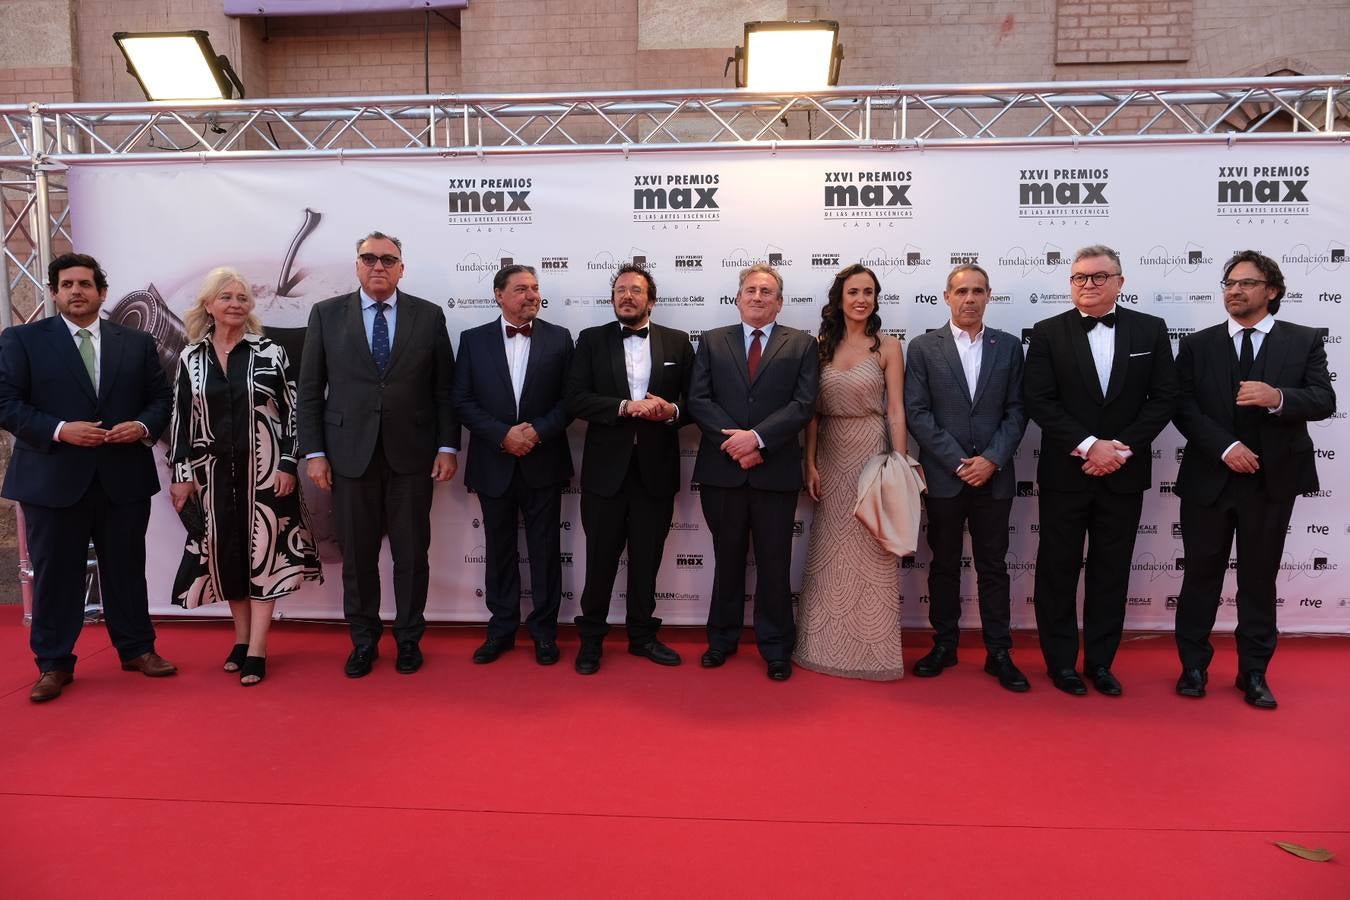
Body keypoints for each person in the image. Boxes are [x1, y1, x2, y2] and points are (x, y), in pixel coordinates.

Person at [0, 252, 175, 702]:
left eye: (84, 284)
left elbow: (161, 398)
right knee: (57, 574)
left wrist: (141, 427)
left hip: (122, 478)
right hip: (52, 478)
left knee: (126, 569)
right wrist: (60, 430)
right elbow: (7, 404)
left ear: (102, 292)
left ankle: (137, 649)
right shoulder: (22, 340)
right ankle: (54, 663)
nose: (76, 291)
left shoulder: (135, 342)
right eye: (66, 284)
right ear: (54, 292)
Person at [1172, 250, 1336, 709]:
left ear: (1272, 291)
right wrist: (1225, 448)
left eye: (1245, 283)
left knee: (1259, 579)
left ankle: (1254, 672)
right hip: (1210, 477)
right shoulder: (1198, 344)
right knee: (1200, 575)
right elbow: (1182, 406)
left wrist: (1277, 396)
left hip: (1271, 481)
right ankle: (1193, 667)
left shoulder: (1302, 340)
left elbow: (1324, 398)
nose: (1234, 291)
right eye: (1228, 283)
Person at [297, 232, 459, 678]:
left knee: (411, 555)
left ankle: (409, 639)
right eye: (369, 258)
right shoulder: (326, 315)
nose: (378, 266)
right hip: (349, 456)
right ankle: (363, 641)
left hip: (413, 456)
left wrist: (447, 445)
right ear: (357, 265)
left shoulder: (428, 316)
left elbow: (443, 390)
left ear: (402, 268)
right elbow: (310, 392)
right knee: (359, 557)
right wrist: (315, 452)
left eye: (388, 259)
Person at [1023, 244, 1178, 697]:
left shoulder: (1150, 330)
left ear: (1120, 282)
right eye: (1078, 278)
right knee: (1057, 569)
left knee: (1111, 571)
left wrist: (1120, 450)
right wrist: (1090, 446)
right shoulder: (1048, 332)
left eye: (1097, 277)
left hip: (1123, 473)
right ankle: (1060, 664)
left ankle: (1101, 663)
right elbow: (1039, 401)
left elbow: (1164, 397)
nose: (1087, 285)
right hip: (1065, 473)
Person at [166, 268, 322, 685]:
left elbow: (296, 414)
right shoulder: (189, 358)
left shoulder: (271, 352)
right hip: (211, 477)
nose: (236, 303)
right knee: (229, 556)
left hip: (268, 473)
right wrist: (181, 475)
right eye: (227, 296)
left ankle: (258, 647)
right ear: (209, 305)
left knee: (266, 557)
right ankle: (241, 637)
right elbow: (181, 421)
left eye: (242, 297)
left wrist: (290, 464)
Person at [688, 263, 819, 681]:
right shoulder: (711, 341)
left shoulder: (802, 344)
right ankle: (721, 640)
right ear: (738, 297)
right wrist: (737, 444)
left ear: (779, 302)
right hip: (723, 471)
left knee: (775, 563)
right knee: (726, 560)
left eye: (766, 291)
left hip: (774, 471)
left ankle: (776, 646)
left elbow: (803, 405)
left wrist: (758, 439)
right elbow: (698, 399)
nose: (757, 297)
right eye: (750, 290)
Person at [904, 264, 1030, 691]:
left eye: (978, 291)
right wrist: (959, 461)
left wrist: (992, 459)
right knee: (943, 564)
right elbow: (917, 413)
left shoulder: (1009, 347)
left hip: (994, 476)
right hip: (944, 477)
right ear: (947, 296)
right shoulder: (922, 348)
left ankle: (999, 651)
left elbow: (1017, 410)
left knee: (993, 566)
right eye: (962, 291)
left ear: (989, 296)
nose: (970, 299)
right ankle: (945, 644)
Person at [565, 263, 694, 675]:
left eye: (636, 290)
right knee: (600, 558)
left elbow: (697, 402)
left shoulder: (677, 343)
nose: (627, 296)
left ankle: (642, 636)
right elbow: (576, 399)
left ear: (650, 300)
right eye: (620, 290)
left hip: (655, 471)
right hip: (605, 471)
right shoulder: (590, 340)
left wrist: (670, 410)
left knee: (647, 559)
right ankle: (591, 641)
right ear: (613, 298)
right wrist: (623, 407)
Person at [453, 264, 574, 666]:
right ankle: (501, 629)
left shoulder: (560, 339)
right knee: (499, 551)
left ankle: (544, 632)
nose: (531, 295)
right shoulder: (473, 340)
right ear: (499, 295)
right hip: (494, 461)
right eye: (521, 289)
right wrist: (503, 435)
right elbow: (462, 400)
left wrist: (535, 433)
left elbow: (570, 400)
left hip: (544, 461)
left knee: (545, 551)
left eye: (535, 288)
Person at [793, 264, 907, 680]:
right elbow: (811, 415)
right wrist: (809, 461)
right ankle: (818, 646)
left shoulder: (889, 347)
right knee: (830, 549)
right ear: (839, 298)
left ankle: (874, 654)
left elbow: (896, 410)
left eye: (869, 292)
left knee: (872, 550)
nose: (861, 299)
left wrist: (900, 462)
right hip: (830, 455)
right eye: (854, 291)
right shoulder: (819, 347)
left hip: (872, 454)